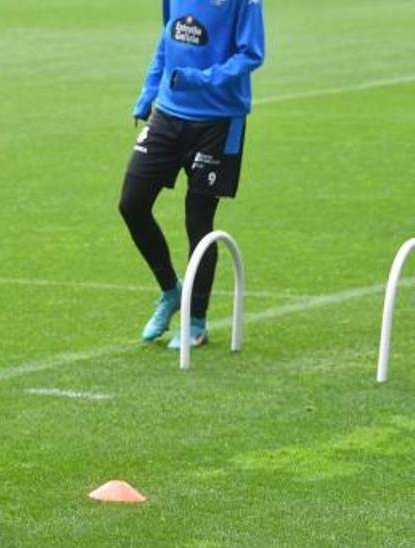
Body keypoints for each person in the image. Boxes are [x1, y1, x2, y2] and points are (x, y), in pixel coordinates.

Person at [119, 0, 264, 348]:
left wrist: (202, 79)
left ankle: (195, 322)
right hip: (168, 115)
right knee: (132, 203)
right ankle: (171, 291)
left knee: (198, 220)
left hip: (218, 121)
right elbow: (168, 37)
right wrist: (148, 91)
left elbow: (251, 54)